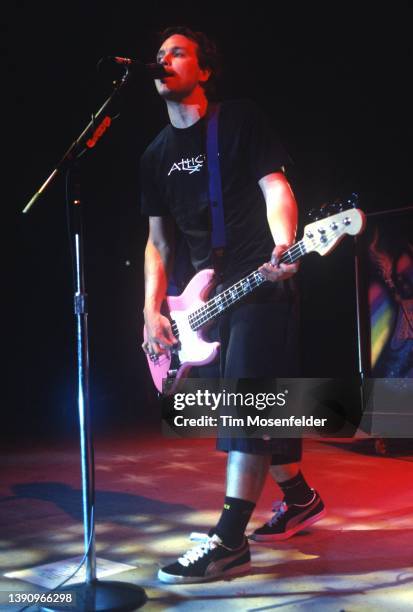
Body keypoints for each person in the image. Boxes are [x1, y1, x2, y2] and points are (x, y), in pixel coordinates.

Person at [140, 26, 325, 584]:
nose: (163, 60)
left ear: (204, 69)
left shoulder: (240, 119)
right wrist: (151, 309)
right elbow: (157, 242)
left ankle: (228, 541)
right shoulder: (153, 155)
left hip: (261, 279)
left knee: (243, 400)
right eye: (159, 54)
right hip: (207, 300)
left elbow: (276, 187)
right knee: (262, 404)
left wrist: (283, 239)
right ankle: (299, 499)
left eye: (177, 52)